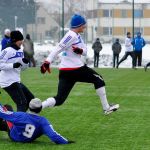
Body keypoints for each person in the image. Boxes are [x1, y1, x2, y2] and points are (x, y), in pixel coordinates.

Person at [40, 14, 119, 115]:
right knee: (98, 79)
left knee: (59, 99)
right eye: (83, 25)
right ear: (79, 25)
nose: (85, 27)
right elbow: (58, 48)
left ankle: (38, 106)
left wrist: (80, 50)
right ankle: (106, 108)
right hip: (76, 69)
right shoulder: (71, 35)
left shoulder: (77, 36)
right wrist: (48, 61)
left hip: (66, 71)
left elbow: (85, 52)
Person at [0, 98, 74, 144]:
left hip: (14, 136)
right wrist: (66, 141)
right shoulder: (43, 121)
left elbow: (2, 113)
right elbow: (53, 135)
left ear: (29, 107)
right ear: (41, 108)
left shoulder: (20, 115)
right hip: (27, 140)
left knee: (7, 107)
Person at [0, 30, 34, 112]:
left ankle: (23, 119)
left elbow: (22, 68)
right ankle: (17, 123)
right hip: (8, 82)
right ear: (15, 40)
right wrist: (13, 65)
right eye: (20, 40)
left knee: (31, 100)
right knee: (22, 103)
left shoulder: (20, 51)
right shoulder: (6, 50)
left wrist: (25, 63)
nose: (22, 42)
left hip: (16, 80)